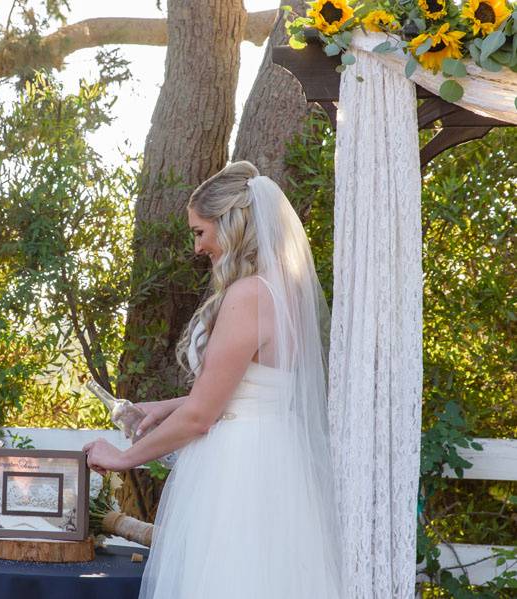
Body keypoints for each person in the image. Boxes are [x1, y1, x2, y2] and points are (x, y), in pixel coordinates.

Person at [84, 161, 344, 598]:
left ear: (232, 224)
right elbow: (249, 387)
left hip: (240, 468)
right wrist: (163, 408)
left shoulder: (248, 294)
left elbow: (202, 416)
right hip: (277, 461)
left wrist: (123, 458)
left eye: (200, 232)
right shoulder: (285, 290)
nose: (198, 246)